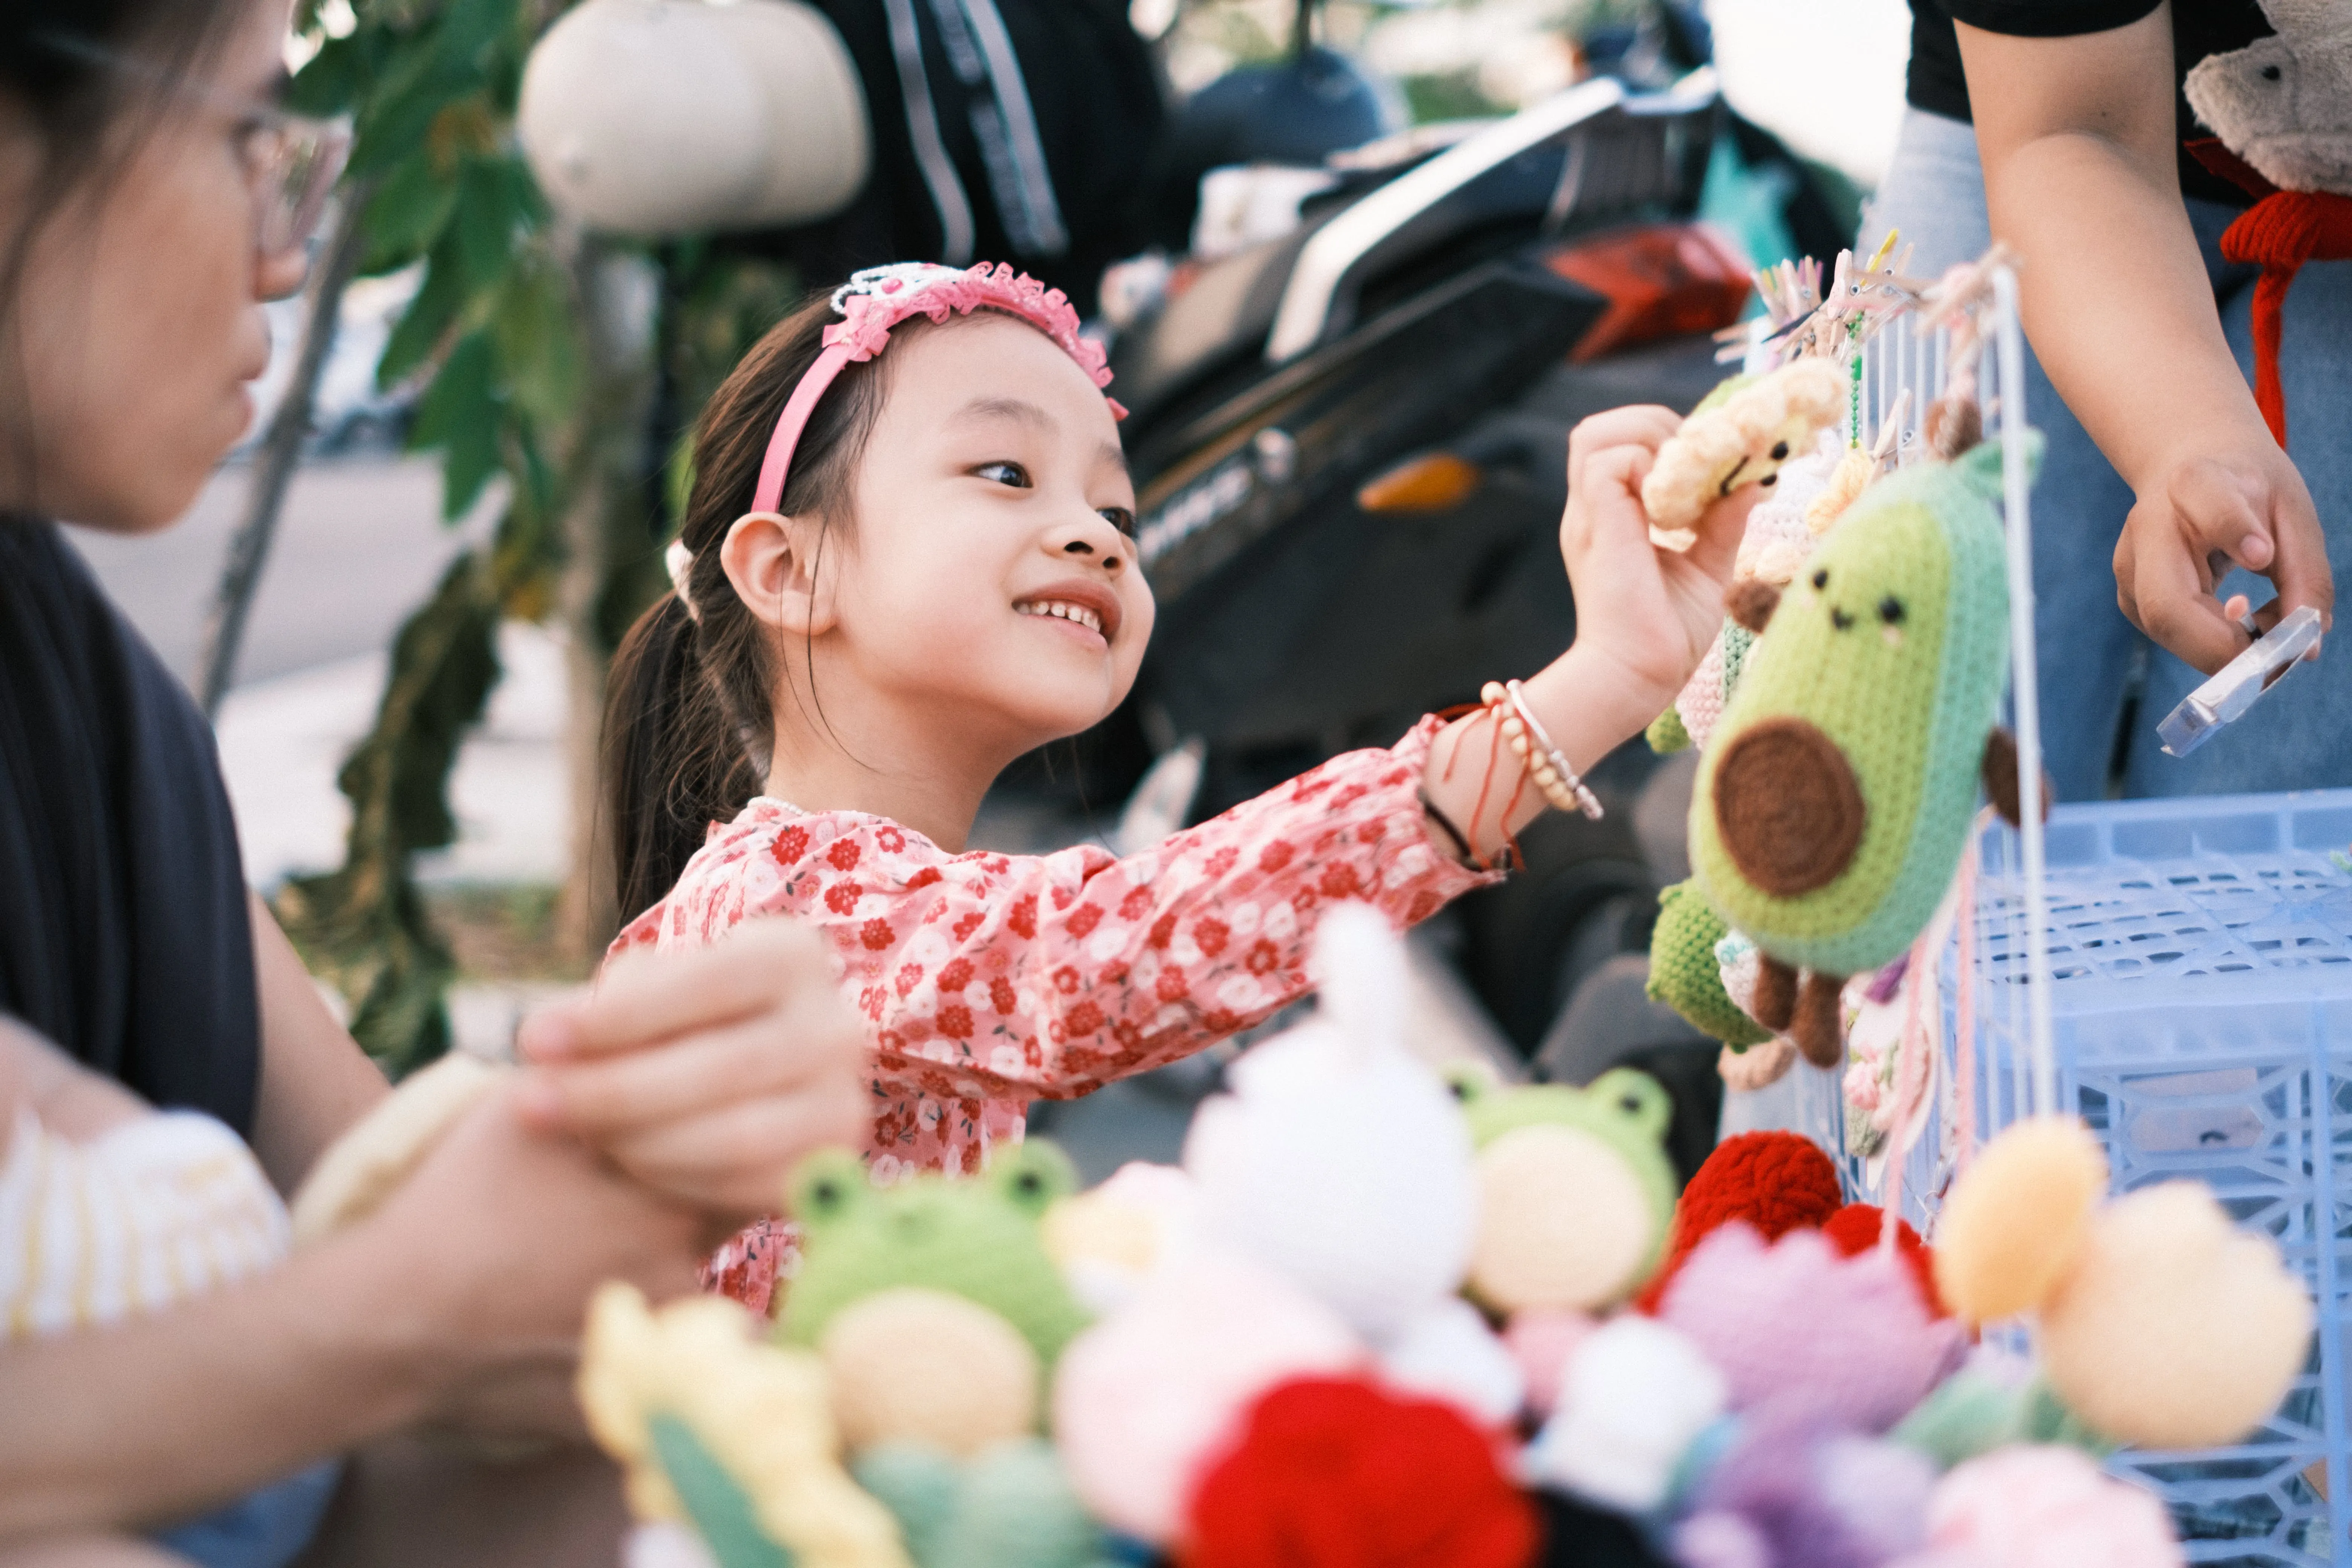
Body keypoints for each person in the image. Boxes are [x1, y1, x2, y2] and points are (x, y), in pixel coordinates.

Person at [0, 0, 867, 1563]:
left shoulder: (85, 687)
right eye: (246, 135)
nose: (285, 250)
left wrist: (603, 1194)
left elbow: (396, 1349)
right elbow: (393, 1318)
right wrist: (413, 1311)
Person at [597, 260, 1761, 1305]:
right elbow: (1101, 962)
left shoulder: (851, 899)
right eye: (1007, 471)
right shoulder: (785, 902)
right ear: (789, 570)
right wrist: (1599, 681)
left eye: (1117, 512)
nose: (1096, 538)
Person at [1868, 1, 2344, 799]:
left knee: (2270, 791)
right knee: (1927, 749)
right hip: (2033, 111)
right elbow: (2064, 129)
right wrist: (2188, 440)